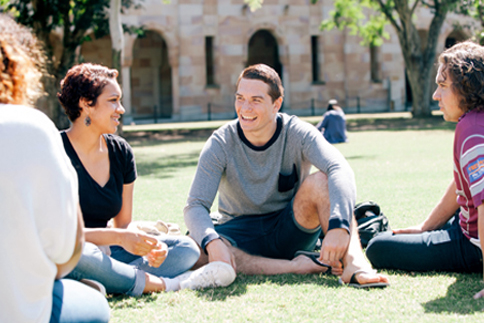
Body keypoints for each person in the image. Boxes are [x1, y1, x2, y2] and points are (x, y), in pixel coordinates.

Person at [184, 64, 389, 288]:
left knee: (321, 181)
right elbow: (195, 205)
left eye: (256, 100)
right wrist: (212, 242)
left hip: (291, 227)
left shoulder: (297, 132)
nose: (245, 108)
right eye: (240, 98)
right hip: (239, 231)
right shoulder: (221, 142)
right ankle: (298, 266)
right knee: (193, 248)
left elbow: (339, 168)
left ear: (276, 104)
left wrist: (339, 226)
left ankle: (355, 265)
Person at [57, 63, 235, 294]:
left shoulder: (120, 152)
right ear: (85, 104)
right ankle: (169, 284)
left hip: (109, 252)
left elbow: (123, 225)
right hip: (71, 251)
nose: (120, 109)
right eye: (113, 100)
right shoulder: (54, 151)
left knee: (186, 249)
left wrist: (146, 248)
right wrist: (119, 237)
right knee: (81, 253)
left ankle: (105, 280)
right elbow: (57, 234)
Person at [0, 14, 110, 323]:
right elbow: (66, 253)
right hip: (21, 312)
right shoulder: (30, 127)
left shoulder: (118, 151)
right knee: (93, 303)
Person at [364, 41, 484, 299]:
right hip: (462, 224)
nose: (435, 96)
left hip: (471, 244)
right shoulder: (475, 121)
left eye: (442, 86)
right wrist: (426, 226)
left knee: (377, 247)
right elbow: (465, 185)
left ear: (466, 87)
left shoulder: (473, 131)